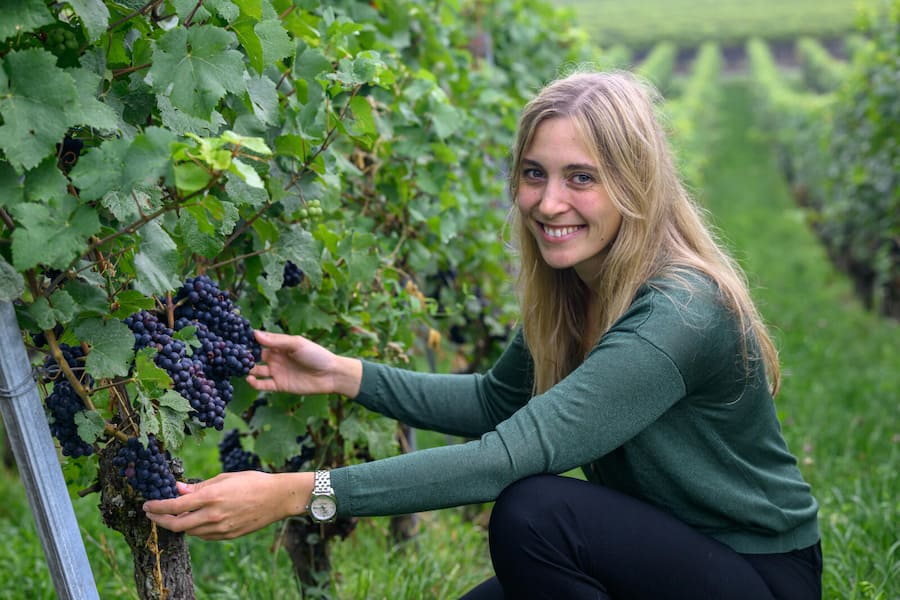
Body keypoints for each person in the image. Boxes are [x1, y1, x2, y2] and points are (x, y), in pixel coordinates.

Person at [144, 70, 822, 599]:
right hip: (659, 553)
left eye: (580, 178)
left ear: (633, 184)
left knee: (535, 513)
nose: (548, 203)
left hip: (754, 576)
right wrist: (344, 375)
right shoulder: (579, 289)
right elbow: (499, 404)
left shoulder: (679, 312)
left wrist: (297, 494)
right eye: (535, 173)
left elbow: (505, 457)